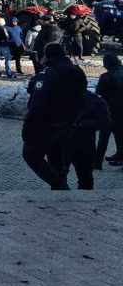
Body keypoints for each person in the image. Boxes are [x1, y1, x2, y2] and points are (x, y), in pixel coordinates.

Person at [22, 44, 98, 189]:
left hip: (48, 124)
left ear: (48, 56)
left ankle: (58, 185)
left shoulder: (48, 74)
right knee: (58, 159)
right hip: (71, 123)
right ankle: (61, 191)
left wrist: (29, 127)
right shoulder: (77, 71)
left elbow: (37, 103)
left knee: (31, 155)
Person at [95, 52, 123, 167]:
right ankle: (120, 155)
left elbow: (99, 93)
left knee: (104, 137)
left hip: (110, 110)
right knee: (119, 134)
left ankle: (97, 161)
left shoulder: (106, 77)